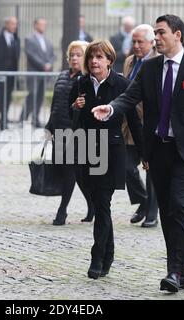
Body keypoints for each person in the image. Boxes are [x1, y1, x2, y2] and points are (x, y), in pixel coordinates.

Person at [91, 14, 184, 292]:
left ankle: (174, 272)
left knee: (179, 205)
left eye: (161, 33)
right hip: (158, 150)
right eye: (155, 33)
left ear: (177, 35)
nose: (157, 38)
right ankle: (180, 272)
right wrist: (112, 108)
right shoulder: (150, 68)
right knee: (168, 210)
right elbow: (130, 96)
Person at [70, 40, 143, 279]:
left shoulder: (122, 84)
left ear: (109, 60)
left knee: (103, 202)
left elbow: (134, 121)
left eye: (99, 57)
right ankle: (109, 252)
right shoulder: (80, 83)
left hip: (111, 151)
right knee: (100, 205)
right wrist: (76, 107)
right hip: (86, 149)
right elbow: (73, 121)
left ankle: (97, 257)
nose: (94, 61)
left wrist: (144, 153)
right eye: (91, 57)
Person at [45, 40, 95, 225]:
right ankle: (92, 205)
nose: (74, 58)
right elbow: (55, 103)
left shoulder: (87, 80)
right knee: (78, 173)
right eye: (72, 55)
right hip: (58, 129)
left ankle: (62, 211)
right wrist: (49, 125)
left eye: (79, 55)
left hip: (76, 132)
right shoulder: (63, 76)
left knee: (69, 170)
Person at [122, 24, 159, 228]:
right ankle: (143, 202)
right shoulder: (129, 61)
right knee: (127, 167)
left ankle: (152, 212)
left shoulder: (157, 61)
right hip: (129, 125)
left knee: (151, 170)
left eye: (140, 42)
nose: (136, 46)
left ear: (151, 42)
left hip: (149, 124)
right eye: (133, 41)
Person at [20, 18, 55, 128]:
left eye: (44, 25)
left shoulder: (47, 41)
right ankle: (23, 117)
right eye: (41, 25)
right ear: (35, 25)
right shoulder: (29, 39)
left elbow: (52, 55)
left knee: (40, 96)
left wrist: (50, 63)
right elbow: (31, 55)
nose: (43, 27)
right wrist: (43, 65)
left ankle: (36, 118)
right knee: (32, 95)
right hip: (34, 73)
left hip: (44, 74)